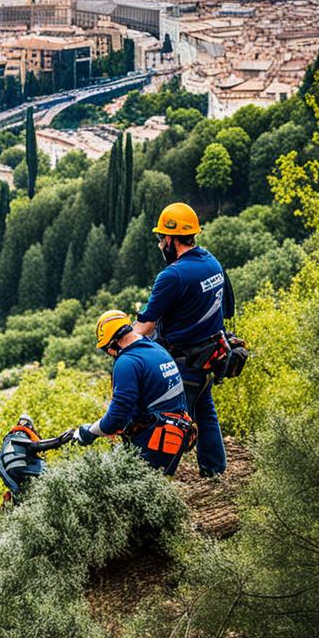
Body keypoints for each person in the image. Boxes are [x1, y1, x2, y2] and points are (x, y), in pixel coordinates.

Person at [131, 202, 233, 477]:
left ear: (170, 239)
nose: (161, 244)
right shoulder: (212, 263)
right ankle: (215, 471)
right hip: (212, 353)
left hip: (184, 361)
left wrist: (120, 341)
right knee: (205, 409)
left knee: (173, 422)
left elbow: (145, 325)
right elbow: (228, 308)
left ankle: (156, 479)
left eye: (161, 238)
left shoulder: (172, 275)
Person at [68, 310, 193, 474]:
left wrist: (90, 432)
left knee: (121, 490)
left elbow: (117, 417)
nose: (110, 354)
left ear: (113, 343)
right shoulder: (155, 348)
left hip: (156, 439)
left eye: (107, 349)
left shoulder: (127, 362)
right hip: (175, 432)